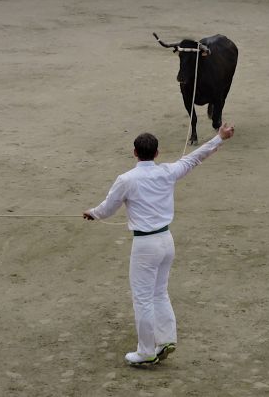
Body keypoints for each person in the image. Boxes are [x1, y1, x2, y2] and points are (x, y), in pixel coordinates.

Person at [83, 123, 235, 366]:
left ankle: (146, 351)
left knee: (143, 298)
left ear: (135, 152)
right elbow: (195, 158)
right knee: (159, 292)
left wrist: (92, 213)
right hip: (166, 241)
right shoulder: (167, 172)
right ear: (157, 153)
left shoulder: (126, 179)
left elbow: (108, 208)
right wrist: (219, 137)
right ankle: (165, 340)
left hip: (145, 245)